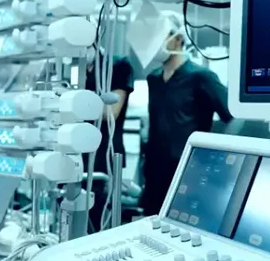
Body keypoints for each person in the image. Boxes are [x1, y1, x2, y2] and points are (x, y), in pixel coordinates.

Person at [139, 19, 235, 217]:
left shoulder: (201, 77)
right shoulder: (154, 79)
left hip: (188, 171)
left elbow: (233, 117)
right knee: (151, 223)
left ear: (178, 39)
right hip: (155, 170)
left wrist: (217, 158)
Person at [86, 54, 135, 231]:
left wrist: (74, 104)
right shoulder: (68, 67)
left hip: (103, 155)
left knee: (96, 219)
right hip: (74, 152)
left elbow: (112, 112)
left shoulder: (117, 65)